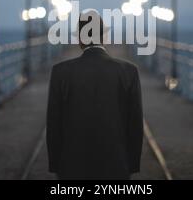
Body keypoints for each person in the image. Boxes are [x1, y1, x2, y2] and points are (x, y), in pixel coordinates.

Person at [46, 10, 143, 179]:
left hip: (71, 165)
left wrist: (56, 165)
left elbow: (54, 124)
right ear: (105, 37)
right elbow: (135, 125)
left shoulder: (60, 72)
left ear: (80, 39)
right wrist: (131, 165)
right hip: (116, 164)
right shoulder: (129, 71)